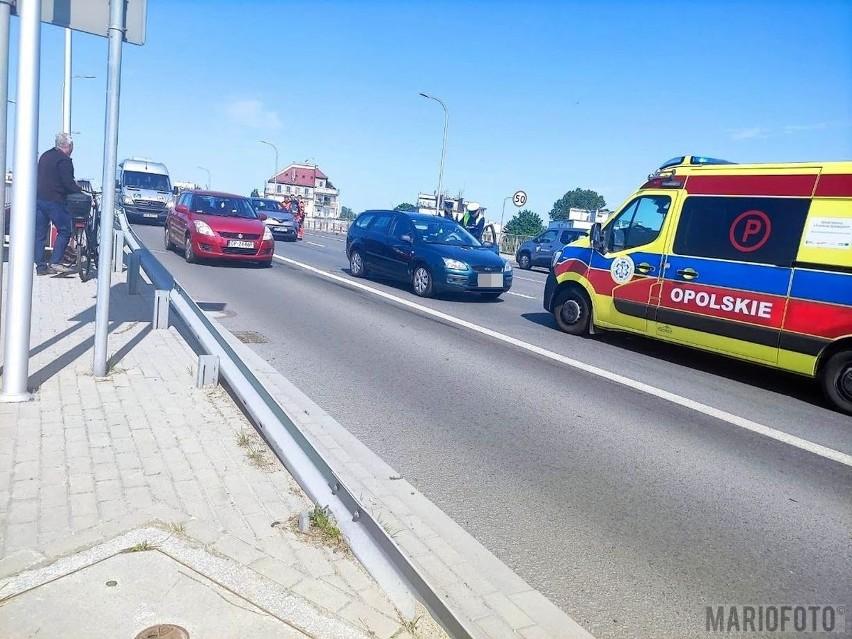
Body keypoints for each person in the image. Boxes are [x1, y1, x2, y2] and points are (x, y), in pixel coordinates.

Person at [35, 132, 82, 275]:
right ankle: (55, 261)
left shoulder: (45, 156)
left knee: (39, 234)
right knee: (65, 230)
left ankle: (41, 268)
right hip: (55, 200)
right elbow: (68, 183)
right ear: (68, 146)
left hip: (39, 199)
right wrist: (80, 193)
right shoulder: (64, 160)